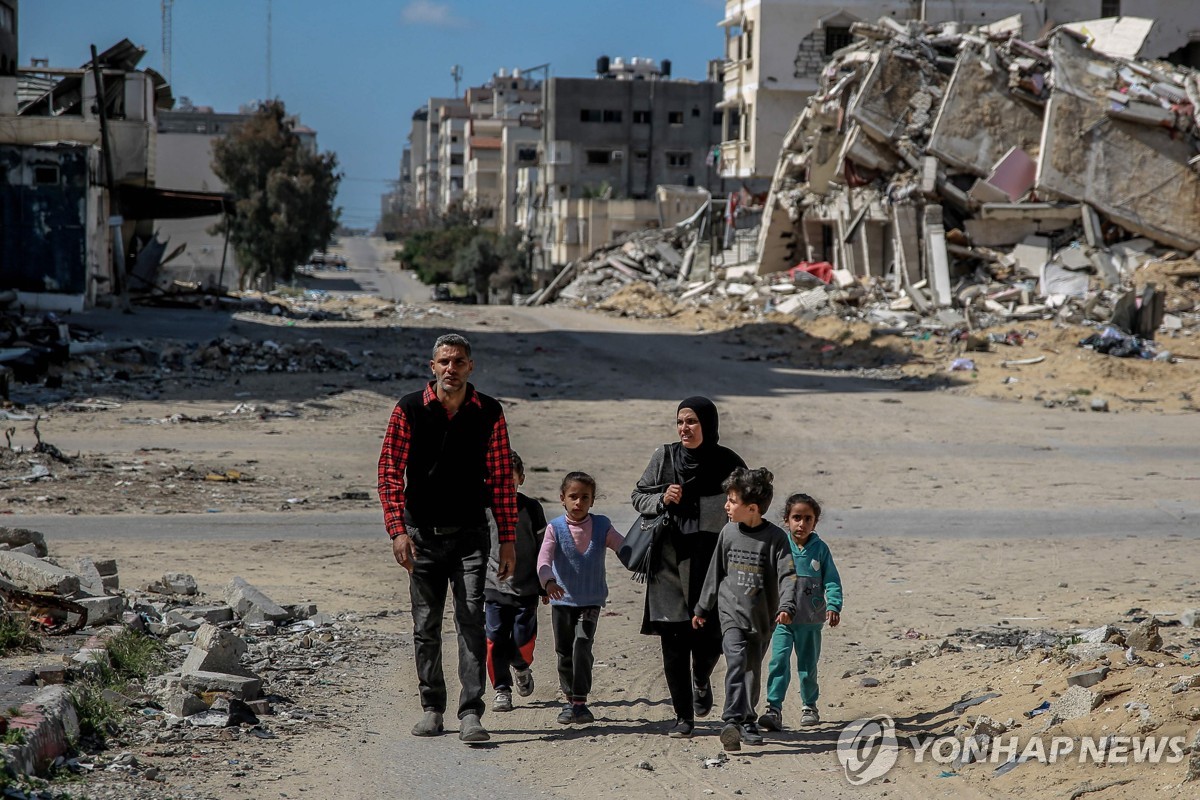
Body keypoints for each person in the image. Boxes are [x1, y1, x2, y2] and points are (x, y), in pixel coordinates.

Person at [377, 333, 517, 744]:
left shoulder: (489, 412)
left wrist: (507, 538)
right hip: (421, 535)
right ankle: (432, 708)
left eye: (458, 361)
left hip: (471, 536)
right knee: (427, 625)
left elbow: (501, 483)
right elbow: (389, 473)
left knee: (472, 620)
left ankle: (472, 711)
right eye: (444, 362)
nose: (450, 369)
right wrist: (397, 531)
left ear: (470, 366)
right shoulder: (409, 410)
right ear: (432, 367)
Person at [631, 397, 746, 738]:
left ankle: (701, 677)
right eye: (681, 422)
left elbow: (751, 500)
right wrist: (661, 498)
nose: (685, 428)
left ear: (707, 425)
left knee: (711, 638)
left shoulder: (728, 462)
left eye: (692, 422)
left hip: (713, 564)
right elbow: (638, 496)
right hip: (667, 562)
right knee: (674, 641)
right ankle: (683, 717)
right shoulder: (663, 458)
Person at [692, 467, 797, 752]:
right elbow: (716, 572)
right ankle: (732, 720)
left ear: (752, 508)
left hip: (763, 617)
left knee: (752, 669)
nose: (726, 506)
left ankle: (749, 720)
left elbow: (788, 575)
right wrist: (703, 607)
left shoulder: (776, 539)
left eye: (732, 501)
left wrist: (786, 606)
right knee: (736, 662)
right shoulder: (727, 533)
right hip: (731, 614)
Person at [537, 471, 624, 726]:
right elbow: (543, 559)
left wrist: (642, 556)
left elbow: (623, 547)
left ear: (592, 501)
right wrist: (548, 582)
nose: (578, 503)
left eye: (584, 497)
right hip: (562, 601)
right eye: (573, 497)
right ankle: (568, 699)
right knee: (564, 650)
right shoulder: (555, 527)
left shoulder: (601, 526)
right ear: (562, 498)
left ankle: (580, 702)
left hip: (590, 600)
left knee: (582, 644)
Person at [758, 493, 842, 731]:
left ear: (815, 522)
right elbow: (766, 579)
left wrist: (834, 605)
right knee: (778, 661)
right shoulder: (779, 546)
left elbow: (832, 580)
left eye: (807, 519)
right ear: (787, 520)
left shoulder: (820, 549)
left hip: (811, 621)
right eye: (796, 518)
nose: (801, 524)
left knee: (807, 666)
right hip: (782, 620)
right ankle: (773, 708)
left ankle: (809, 706)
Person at [485, 450, 548, 713]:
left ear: (520, 478)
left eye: (509, 479)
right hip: (493, 585)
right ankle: (502, 689)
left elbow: (545, 546)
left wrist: (546, 582)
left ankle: (521, 667)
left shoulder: (531, 508)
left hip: (527, 587)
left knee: (523, 639)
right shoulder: (484, 508)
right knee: (495, 638)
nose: (504, 485)